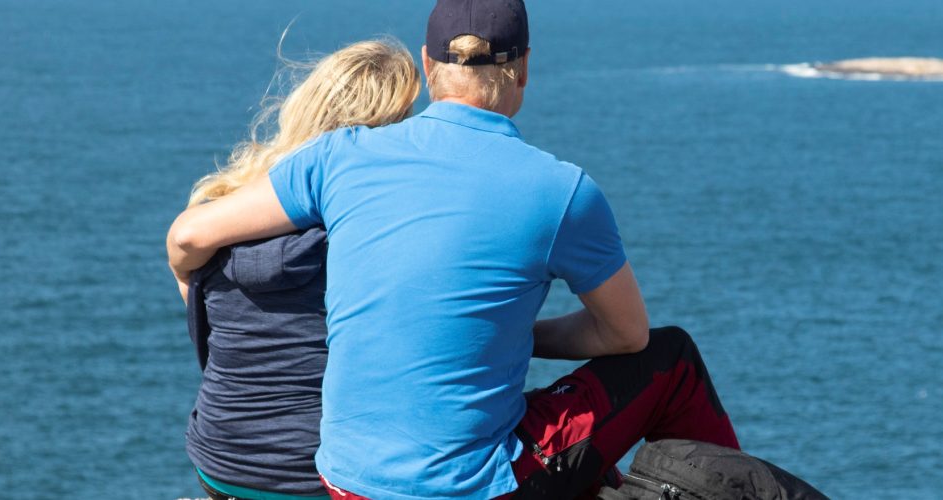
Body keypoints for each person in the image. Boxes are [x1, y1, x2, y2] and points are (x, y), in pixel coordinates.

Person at [168, 1, 739, 498]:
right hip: (477, 489)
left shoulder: (339, 156)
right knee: (670, 359)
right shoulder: (563, 191)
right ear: (524, 69)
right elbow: (625, 336)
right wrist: (510, 330)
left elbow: (190, 236)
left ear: (427, 63)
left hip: (343, 481)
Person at [180, 39, 421, 500]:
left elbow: (201, 316)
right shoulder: (375, 237)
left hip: (220, 464)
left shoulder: (218, 216)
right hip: (323, 479)